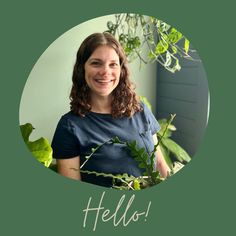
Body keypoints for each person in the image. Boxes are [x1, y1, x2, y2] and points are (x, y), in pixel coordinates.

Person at [51, 32, 170, 188]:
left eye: (113, 64)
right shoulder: (69, 126)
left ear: (121, 69)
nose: (105, 72)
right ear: (82, 68)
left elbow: (160, 165)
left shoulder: (140, 110)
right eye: (96, 63)